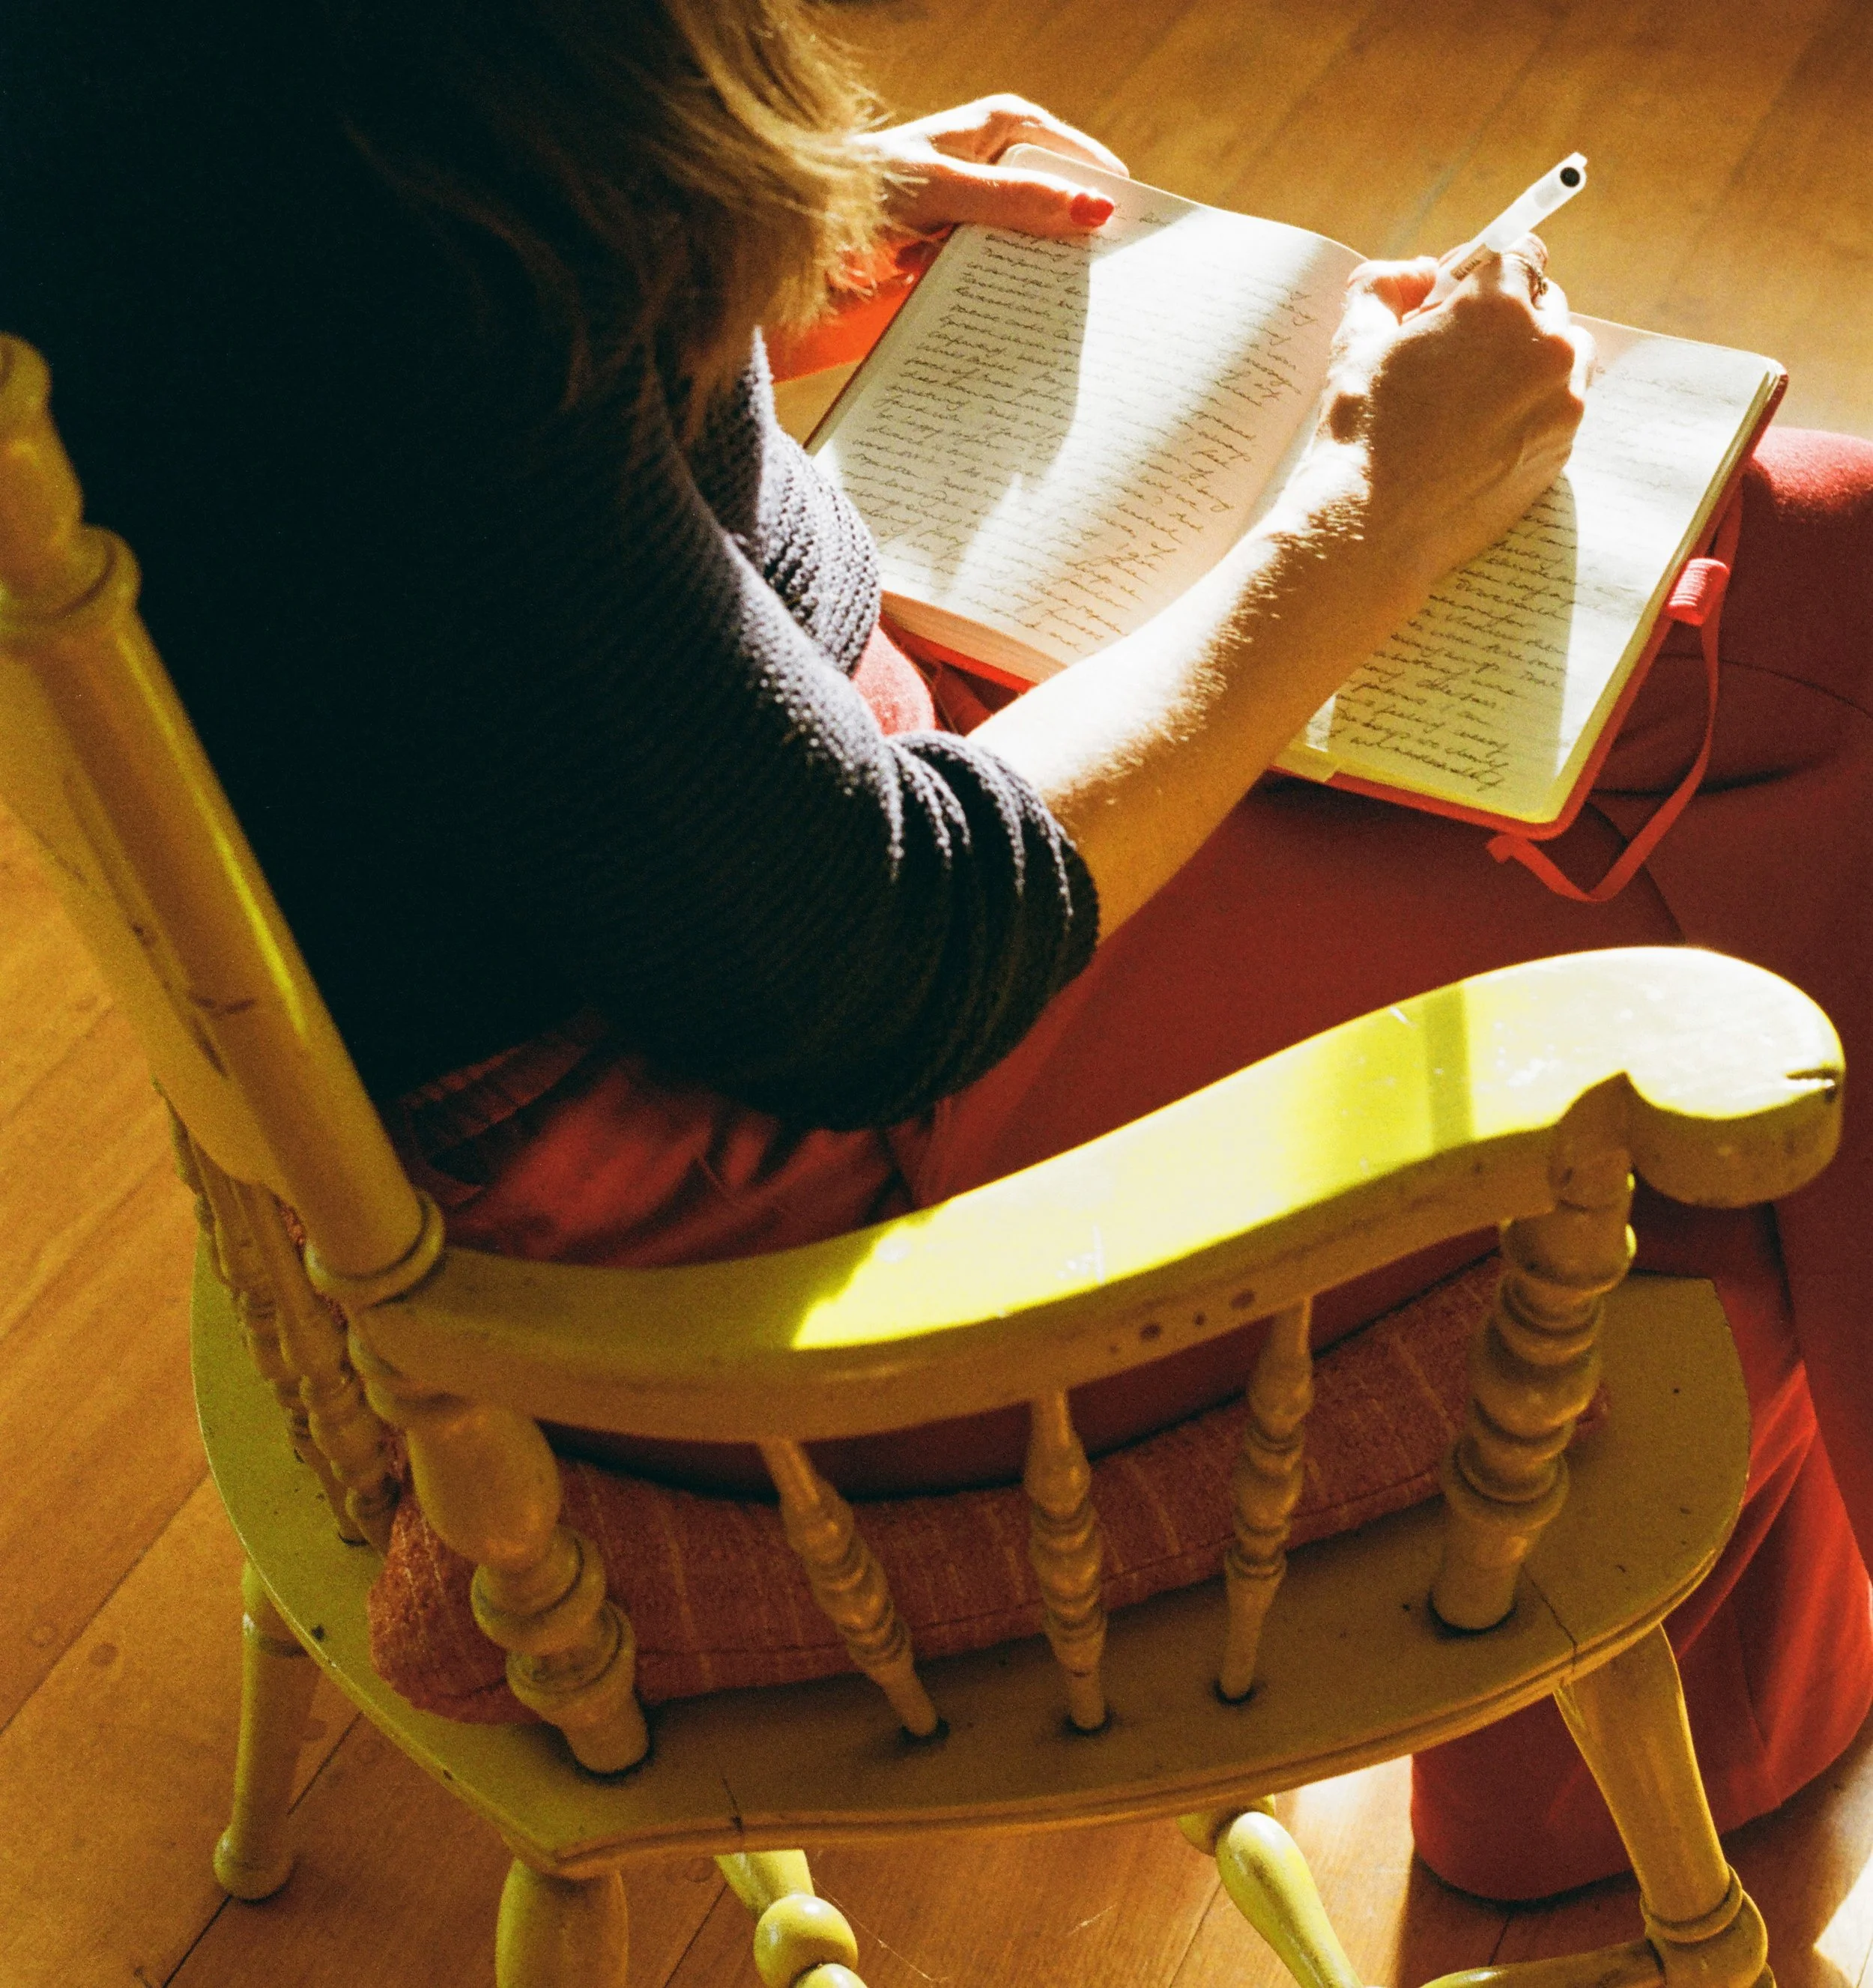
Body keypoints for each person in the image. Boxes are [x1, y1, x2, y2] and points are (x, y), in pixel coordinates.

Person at [6, 0, 1872, 1904]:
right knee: (1782, 961)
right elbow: (871, 969)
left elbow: (419, 548)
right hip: (778, 1207)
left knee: (1832, 575)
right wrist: (1358, 514)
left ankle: (1651, 1797)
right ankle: (1616, 1824)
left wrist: (718, 238)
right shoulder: (388, 196)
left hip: (731, 864)